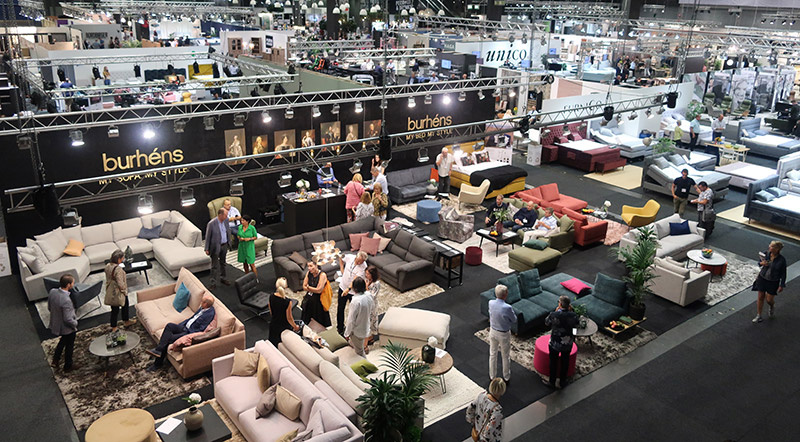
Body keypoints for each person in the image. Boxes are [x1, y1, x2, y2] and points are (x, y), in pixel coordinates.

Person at [146, 295, 216, 371]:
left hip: (188, 332)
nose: (200, 302)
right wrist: (180, 325)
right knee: (169, 326)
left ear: (205, 304)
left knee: (167, 339)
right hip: (184, 327)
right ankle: (158, 350)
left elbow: (201, 329)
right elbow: (192, 318)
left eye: (202, 301)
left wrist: (189, 333)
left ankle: (157, 363)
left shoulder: (209, 314)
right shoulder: (202, 308)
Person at [544, 296, 579, 389]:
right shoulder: (573, 315)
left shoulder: (554, 314)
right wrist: (573, 337)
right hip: (567, 343)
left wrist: (555, 311)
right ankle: (563, 382)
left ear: (560, 304)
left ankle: (552, 382)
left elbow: (546, 323)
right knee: (565, 361)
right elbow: (576, 326)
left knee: (553, 362)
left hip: (555, 343)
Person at [752, 241, 788, 323]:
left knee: (769, 300)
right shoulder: (766, 254)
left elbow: (783, 273)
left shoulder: (781, 260)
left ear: (777, 249)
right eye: (770, 245)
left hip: (773, 281)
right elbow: (759, 263)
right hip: (762, 278)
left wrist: (782, 284)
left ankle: (772, 306)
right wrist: (762, 263)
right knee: (760, 296)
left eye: (772, 246)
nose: (769, 247)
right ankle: (759, 315)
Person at [48, 274, 78, 372]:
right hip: (66, 327)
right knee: (69, 346)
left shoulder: (52, 292)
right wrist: (75, 323)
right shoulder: (66, 300)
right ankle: (68, 366)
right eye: (72, 283)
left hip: (57, 323)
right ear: (68, 285)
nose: (73, 284)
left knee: (63, 341)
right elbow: (68, 319)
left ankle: (56, 359)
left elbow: (49, 307)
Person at [488, 284, 515, 383]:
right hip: (504, 334)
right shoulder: (507, 307)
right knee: (505, 355)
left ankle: (492, 376)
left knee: (492, 354)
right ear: (506, 294)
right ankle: (506, 376)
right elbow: (514, 319)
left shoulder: (490, 303)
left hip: (493, 331)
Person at [466, 378, 506, 442]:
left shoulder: (481, 396)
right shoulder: (497, 410)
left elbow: (470, 409)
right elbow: (489, 430)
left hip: (477, 431)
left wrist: (473, 423)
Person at [337, 251, 368, 335]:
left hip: (353, 292)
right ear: (356, 257)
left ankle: (352, 329)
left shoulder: (363, 266)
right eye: (358, 261)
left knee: (353, 311)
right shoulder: (349, 257)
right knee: (340, 308)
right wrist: (342, 269)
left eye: (361, 262)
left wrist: (348, 289)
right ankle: (340, 328)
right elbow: (340, 256)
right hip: (342, 287)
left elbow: (355, 280)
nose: (359, 263)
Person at [105, 249, 135, 332]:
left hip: (111, 290)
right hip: (118, 292)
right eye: (122, 258)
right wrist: (124, 291)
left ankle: (116, 324)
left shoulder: (108, 266)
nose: (123, 259)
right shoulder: (118, 270)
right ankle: (121, 323)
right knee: (122, 306)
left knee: (114, 309)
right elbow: (120, 283)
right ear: (119, 259)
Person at [344, 277, 374, 357]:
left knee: (360, 352)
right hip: (365, 327)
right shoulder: (369, 295)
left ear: (354, 288)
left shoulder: (355, 301)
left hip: (357, 331)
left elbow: (351, 319)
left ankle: (366, 364)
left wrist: (347, 333)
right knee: (355, 347)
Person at [205, 208, 231, 289]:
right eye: (225, 215)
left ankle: (223, 278)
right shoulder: (211, 224)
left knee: (223, 263)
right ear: (220, 215)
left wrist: (229, 242)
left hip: (224, 245)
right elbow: (208, 236)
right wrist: (206, 248)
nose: (227, 216)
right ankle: (213, 282)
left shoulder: (226, 220)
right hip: (215, 246)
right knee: (214, 265)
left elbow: (228, 231)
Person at [269, 277, 300, 346]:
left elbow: (271, 311)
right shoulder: (287, 302)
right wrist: (295, 327)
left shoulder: (271, 296)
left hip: (273, 324)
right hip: (284, 327)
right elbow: (289, 318)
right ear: (286, 287)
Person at [301, 259, 332, 327]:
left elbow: (319, 290)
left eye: (311, 266)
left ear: (316, 265)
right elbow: (304, 286)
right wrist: (311, 289)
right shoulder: (308, 273)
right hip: (309, 299)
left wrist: (309, 288)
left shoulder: (322, 275)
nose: (309, 268)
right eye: (308, 266)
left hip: (319, 300)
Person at [363, 266, 381, 352]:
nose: (366, 275)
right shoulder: (366, 280)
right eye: (366, 273)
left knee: (371, 321)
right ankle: (369, 337)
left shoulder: (376, 283)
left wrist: (366, 287)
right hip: (366, 304)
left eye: (368, 274)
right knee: (367, 321)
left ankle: (369, 339)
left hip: (372, 305)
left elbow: (372, 296)